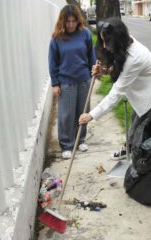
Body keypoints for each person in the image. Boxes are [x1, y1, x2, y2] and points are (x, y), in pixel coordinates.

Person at [78, 18, 151, 159]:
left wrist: (91, 115)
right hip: (140, 85)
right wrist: (105, 71)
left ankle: (138, 162)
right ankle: (130, 149)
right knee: (134, 120)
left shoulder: (135, 57)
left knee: (139, 127)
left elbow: (116, 93)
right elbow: (120, 65)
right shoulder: (124, 44)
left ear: (118, 40)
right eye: (103, 41)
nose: (105, 46)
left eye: (108, 42)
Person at [48, 4, 96, 159]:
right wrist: (55, 83)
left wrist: (93, 72)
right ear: (63, 21)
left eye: (73, 21)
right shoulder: (57, 38)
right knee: (66, 115)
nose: (70, 24)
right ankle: (67, 145)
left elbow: (91, 55)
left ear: (78, 20)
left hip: (83, 79)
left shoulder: (85, 34)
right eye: (67, 21)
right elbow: (52, 62)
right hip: (66, 82)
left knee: (82, 112)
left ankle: (80, 140)